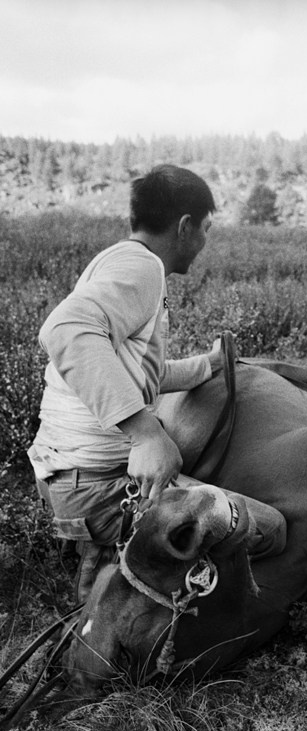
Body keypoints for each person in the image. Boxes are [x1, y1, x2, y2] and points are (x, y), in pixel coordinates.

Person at [28, 164, 286, 601]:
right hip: (100, 489)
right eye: (206, 228)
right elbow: (65, 329)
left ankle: (114, 556)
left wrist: (208, 365)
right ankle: (126, 581)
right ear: (185, 226)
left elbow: (139, 373)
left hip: (69, 479)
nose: (205, 242)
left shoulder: (118, 260)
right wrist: (145, 433)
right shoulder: (143, 267)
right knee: (269, 529)